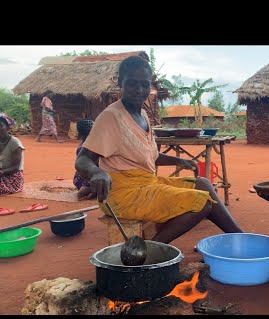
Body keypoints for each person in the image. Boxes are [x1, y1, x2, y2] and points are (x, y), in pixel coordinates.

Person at [75, 55, 243, 244]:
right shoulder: (111, 117)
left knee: (203, 183)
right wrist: (96, 172)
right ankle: (149, 250)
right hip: (123, 195)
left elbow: (149, 156)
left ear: (150, 86)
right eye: (131, 84)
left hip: (146, 184)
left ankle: (239, 236)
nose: (139, 90)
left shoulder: (143, 115)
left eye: (144, 84)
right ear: (120, 83)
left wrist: (179, 161)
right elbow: (82, 159)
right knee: (202, 203)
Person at [0, 113, 25, 196]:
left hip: (13, 176)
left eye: (0, 126)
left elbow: (16, 167)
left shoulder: (15, 143)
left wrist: (2, 172)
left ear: (7, 127)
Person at [73, 118, 96, 200]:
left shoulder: (83, 145)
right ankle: (90, 189)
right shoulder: (89, 147)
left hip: (78, 180)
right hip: (88, 181)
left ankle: (90, 189)